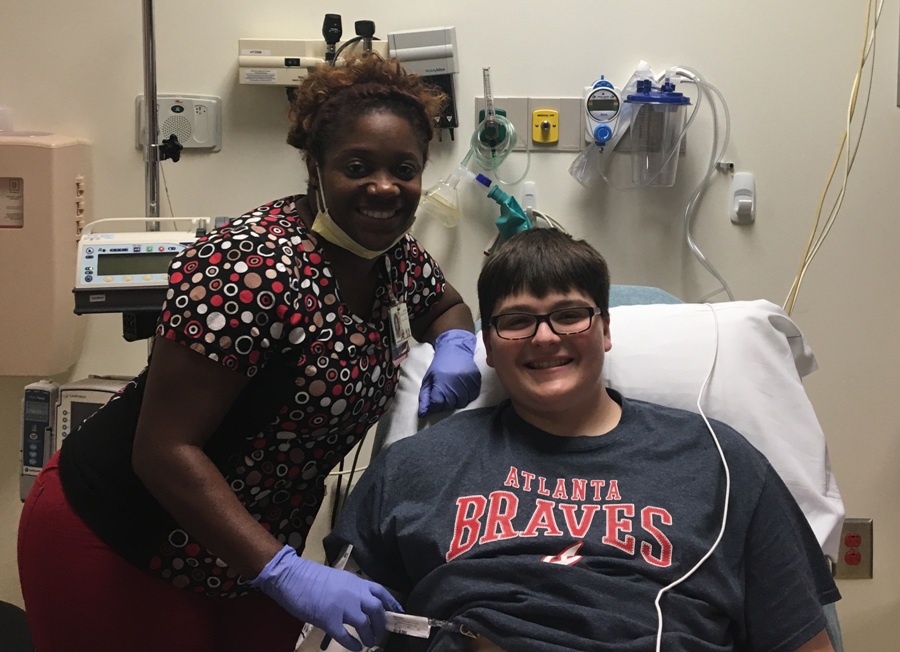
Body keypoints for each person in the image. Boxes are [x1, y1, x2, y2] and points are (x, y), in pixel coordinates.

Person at [17, 54, 482, 652]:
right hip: (123, 535)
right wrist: (284, 571)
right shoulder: (249, 266)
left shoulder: (392, 256)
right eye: (358, 166)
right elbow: (163, 451)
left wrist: (456, 344)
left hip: (246, 552)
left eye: (405, 169)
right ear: (315, 166)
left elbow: (444, 303)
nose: (384, 188)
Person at [325, 228, 840, 651]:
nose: (545, 336)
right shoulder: (415, 467)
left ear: (605, 329)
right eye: (517, 321)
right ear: (488, 345)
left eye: (569, 315)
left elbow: (800, 638)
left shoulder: (720, 462)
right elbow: (346, 629)